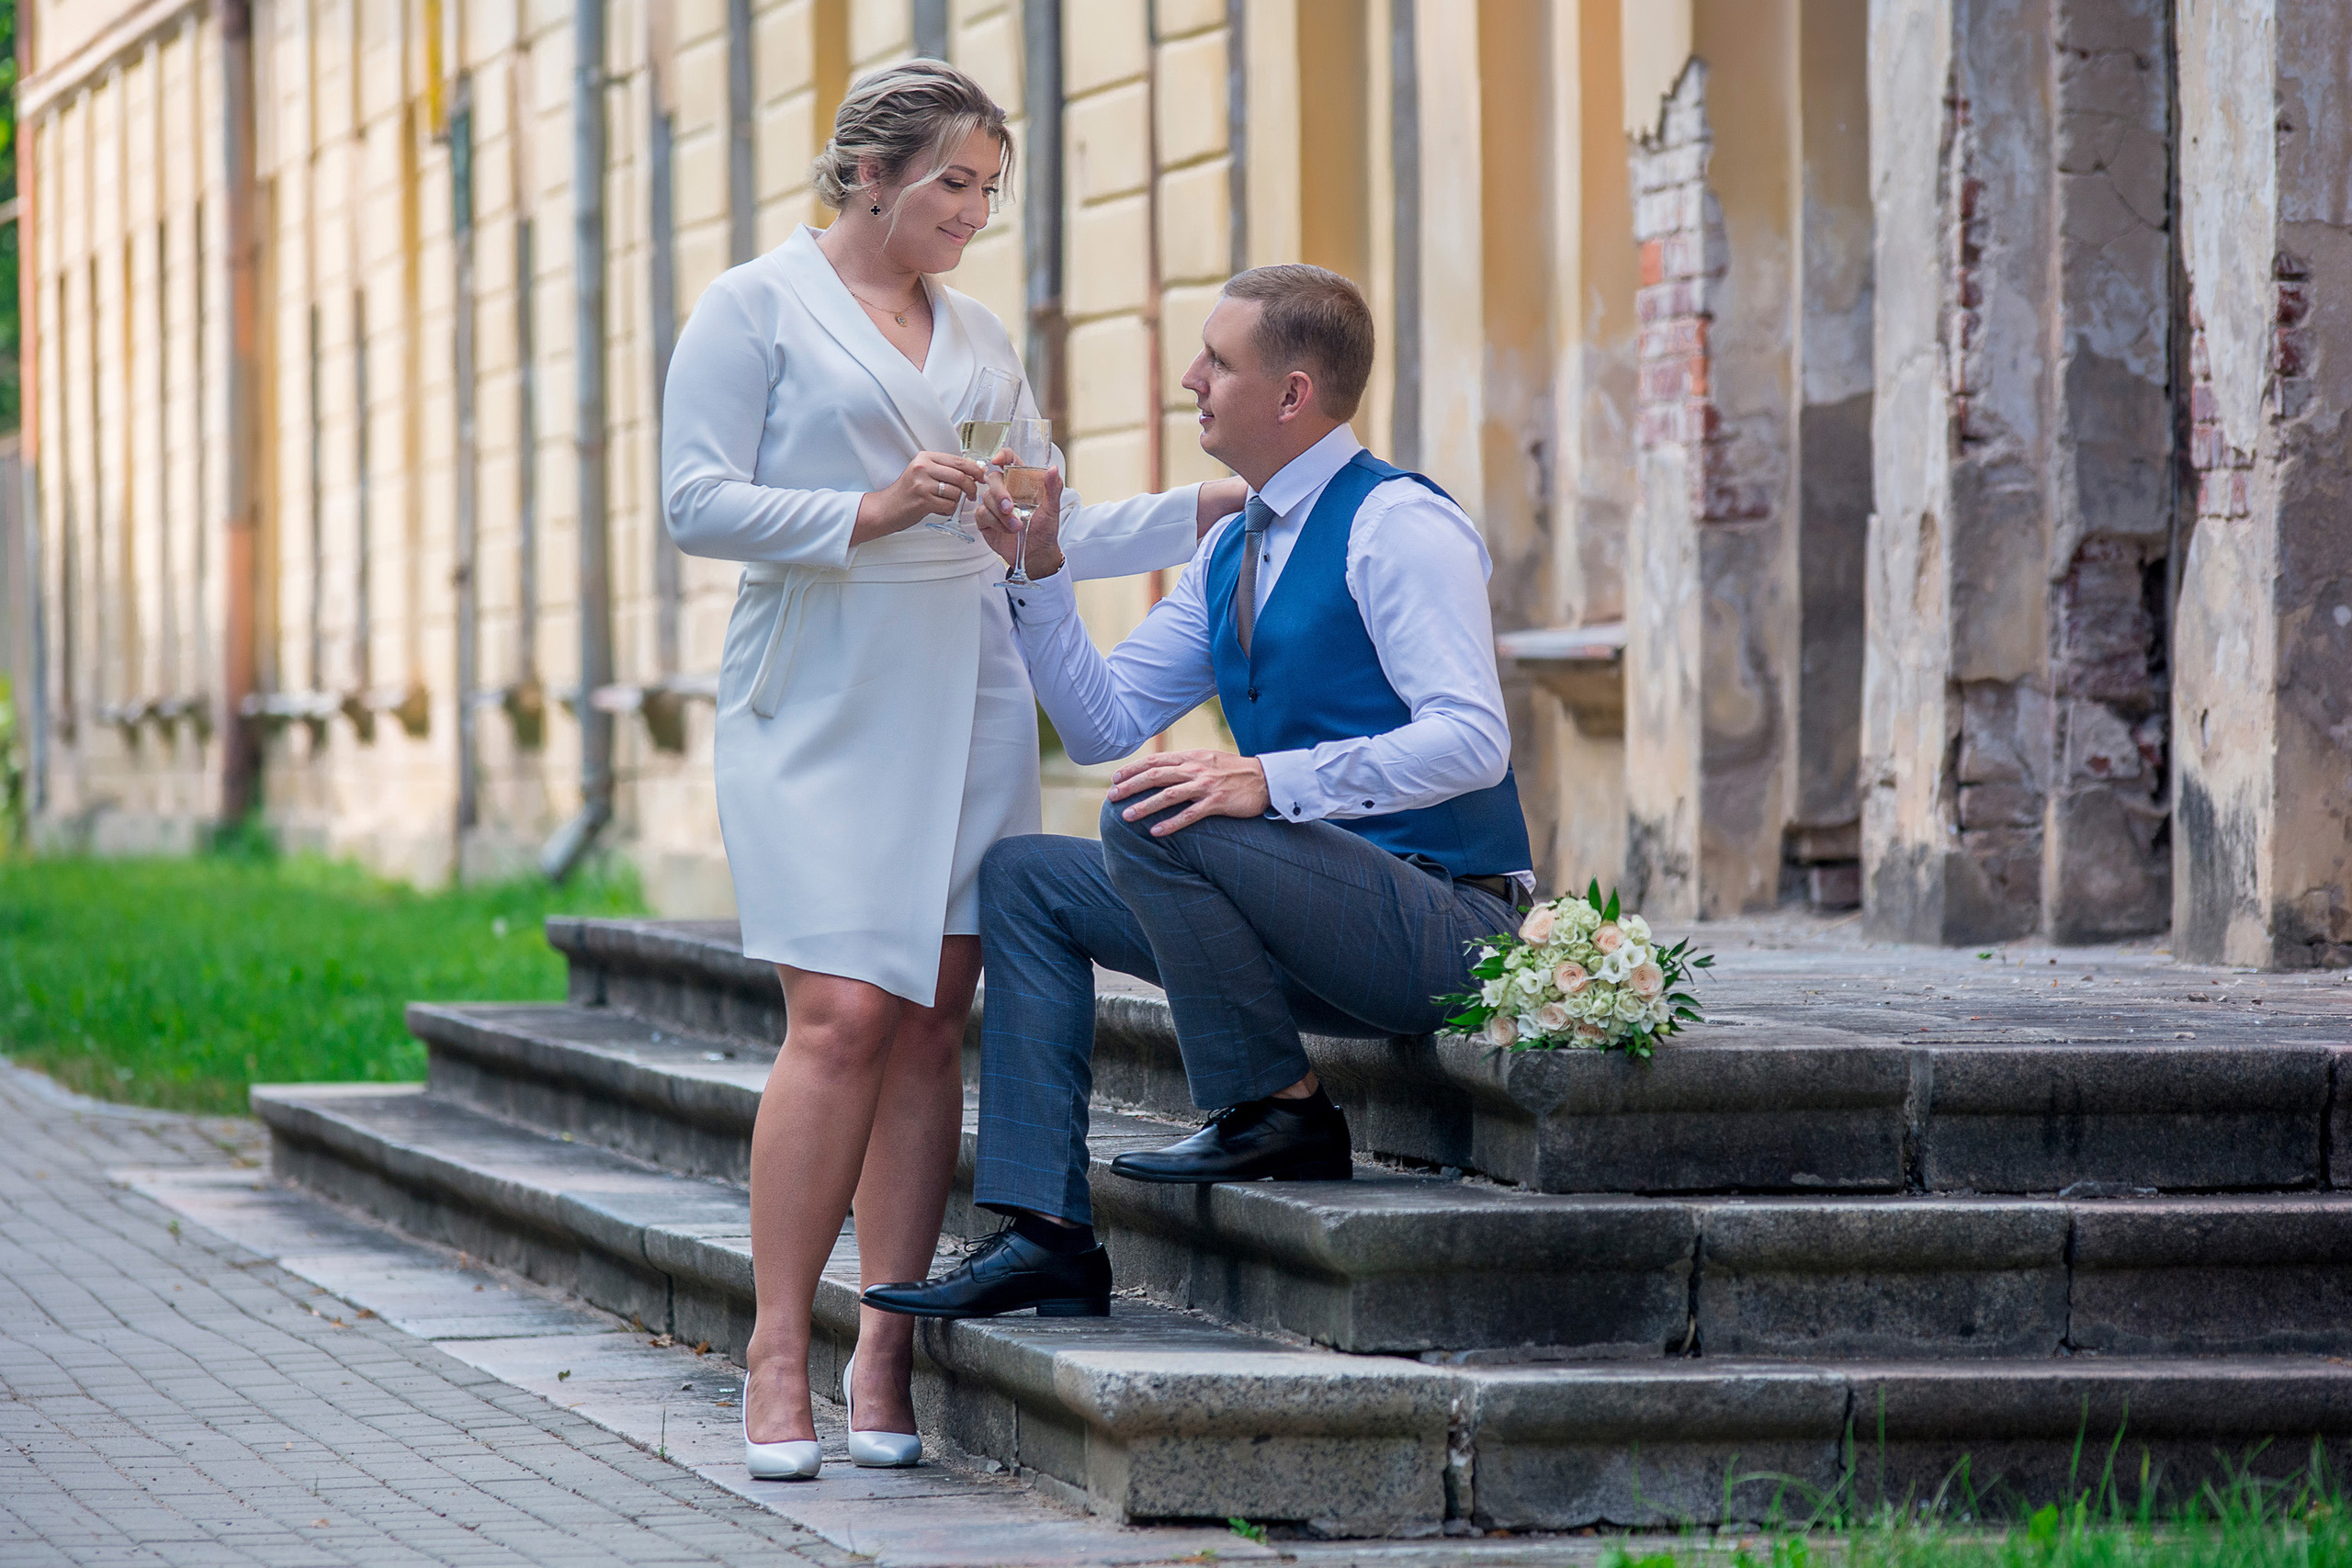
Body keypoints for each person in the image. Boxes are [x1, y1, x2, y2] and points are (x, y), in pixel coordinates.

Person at [661, 61, 1246, 1480]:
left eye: (990, 187)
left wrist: (1217, 503)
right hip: (819, 691)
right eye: (955, 185)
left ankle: (886, 1343)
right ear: (870, 175)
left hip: (971, 689)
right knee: (840, 1016)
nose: (978, 213)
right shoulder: (753, 305)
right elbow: (694, 500)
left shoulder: (979, 334)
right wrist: (868, 509)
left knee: (930, 1020)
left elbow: (1047, 521)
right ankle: (775, 1348)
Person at [861, 264, 1532, 1323]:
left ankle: (1280, 1108)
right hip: (1305, 927)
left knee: (1153, 813)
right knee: (1026, 876)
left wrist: (1269, 779)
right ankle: (1047, 1233)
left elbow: (1473, 743)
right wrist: (1038, 569)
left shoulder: (1397, 525)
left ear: (1293, 394)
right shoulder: (1232, 545)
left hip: (1447, 924)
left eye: (1218, 361)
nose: (1190, 379)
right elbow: (1103, 723)